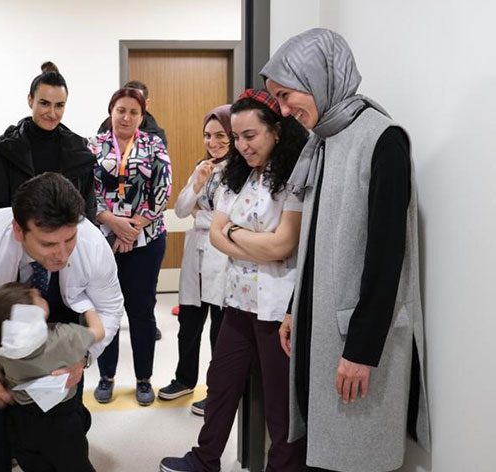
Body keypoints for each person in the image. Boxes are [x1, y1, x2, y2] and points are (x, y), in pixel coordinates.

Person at [260, 28, 430, 471]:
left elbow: (387, 257)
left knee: (358, 458)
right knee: (327, 453)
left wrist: (361, 350)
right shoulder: (325, 139)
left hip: (357, 340)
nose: (283, 110)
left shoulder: (382, 139)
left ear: (319, 77)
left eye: (286, 95)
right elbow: (317, 239)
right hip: (320, 327)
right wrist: (295, 307)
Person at [0, 172, 124, 471]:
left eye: (69, 239)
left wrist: (83, 358)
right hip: (2, 331)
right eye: (48, 244)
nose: (61, 255)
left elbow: (110, 309)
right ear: (18, 231)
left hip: (63, 324)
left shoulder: (92, 245)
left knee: (64, 428)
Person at [160, 90, 309, 472]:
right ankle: (205, 459)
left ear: (276, 131)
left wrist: (236, 235)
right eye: (237, 137)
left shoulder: (294, 179)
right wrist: (252, 241)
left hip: (275, 308)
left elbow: (284, 244)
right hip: (238, 301)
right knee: (222, 384)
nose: (242, 146)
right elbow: (216, 234)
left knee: (279, 403)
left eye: (250, 135)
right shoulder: (235, 177)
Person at [88, 87, 172, 406]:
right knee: (107, 309)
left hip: (146, 239)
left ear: (142, 115)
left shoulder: (154, 144)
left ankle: (144, 379)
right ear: (111, 112)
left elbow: (163, 189)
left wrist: (132, 228)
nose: (126, 117)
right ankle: (106, 377)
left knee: (141, 310)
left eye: (133, 112)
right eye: (121, 110)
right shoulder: (94, 145)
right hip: (103, 239)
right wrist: (112, 222)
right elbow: (87, 190)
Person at [0, 282, 104, 472]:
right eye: (36, 297)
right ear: (30, 316)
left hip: (22, 419)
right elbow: (98, 332)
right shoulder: (63, 337)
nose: (37, 291)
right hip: (63, 419)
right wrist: (87, 306)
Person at [157, 105, 232, 416]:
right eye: (208, 136)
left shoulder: (241, 171)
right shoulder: (202, 167)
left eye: (221, 136)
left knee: (219, 330)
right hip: (196, 255)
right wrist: (198, 183)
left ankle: (217, 392)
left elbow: (231, 218)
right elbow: (181, 209)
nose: (213, 142)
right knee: (188, 324)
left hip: (223, 255)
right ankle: (184, 379)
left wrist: (204, 215)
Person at [0, 62, 96, 224]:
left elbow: (87, 213)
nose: (52, 113)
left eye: (59, 106)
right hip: (15, 235)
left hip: (66, 237)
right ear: (30, 100)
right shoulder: (5, 150)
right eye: (44, 103)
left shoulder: (79, 152)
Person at [97, 80, 169, 148]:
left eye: (138, 99)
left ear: (146, 104)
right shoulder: (107, 125)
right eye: (121, 111)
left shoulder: (156, 137)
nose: (126, 118)